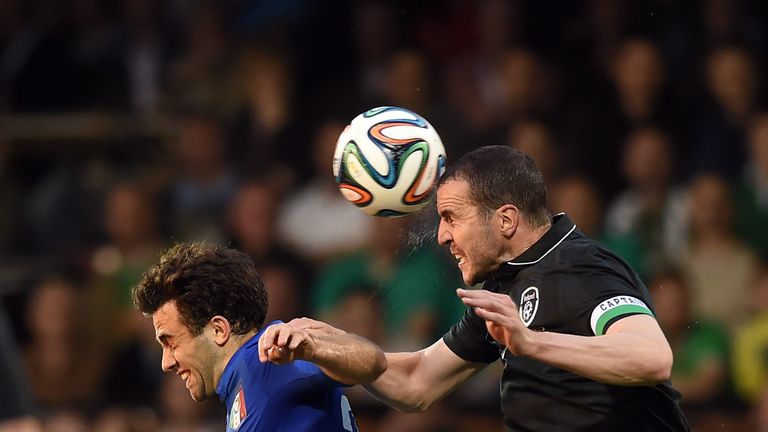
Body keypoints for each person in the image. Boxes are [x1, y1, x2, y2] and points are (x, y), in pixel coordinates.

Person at [294, 146, 690, 431]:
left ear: (505, 220)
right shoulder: (506, 286)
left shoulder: (580, 267)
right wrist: (331, 346)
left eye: (451, 217)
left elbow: (651, 356)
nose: (441, 236)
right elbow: (417, 382)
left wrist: (532, 342)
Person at [132, 242, 386, 432]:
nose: (166, 362)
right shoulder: (241, 384)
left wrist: (312, 349)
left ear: (219, 330)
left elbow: (371, 361)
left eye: (170, 341)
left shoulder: (268, 359)